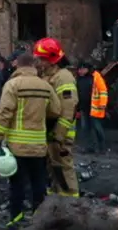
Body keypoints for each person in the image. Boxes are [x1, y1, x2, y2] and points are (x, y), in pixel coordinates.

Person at [0, 52, 61, 226]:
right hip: (38, 146)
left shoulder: (13, 85)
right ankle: (39, 220)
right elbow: (56, 110)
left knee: (17, 185)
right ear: (34, 66)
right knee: (38, 184)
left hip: (18, 147)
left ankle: (16, 219)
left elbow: (4, 114)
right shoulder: (45, 86)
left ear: (18, 66)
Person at [33, 38, 79, 197]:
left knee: (63, 166)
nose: (38, 62)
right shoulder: (47, 75)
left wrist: (59, 135)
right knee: (52, 165)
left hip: (60, 132)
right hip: (50, 130)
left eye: (41, 59)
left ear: (51, 60)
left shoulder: (63, 77)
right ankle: (56, 197)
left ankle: (70, 199)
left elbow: (68, 108)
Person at [81, 63, 108, 154]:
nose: (80, 71)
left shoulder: (96, 77)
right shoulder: (80, 78)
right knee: (85, 128)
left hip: (95, 108)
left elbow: (103, 91)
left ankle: (102, 147)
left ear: (87, 69)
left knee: (97, 128)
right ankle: (90, 147)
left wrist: (102, 104)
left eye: (82, 69)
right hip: (85, 108)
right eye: (79, 69)